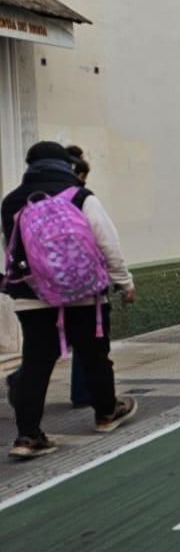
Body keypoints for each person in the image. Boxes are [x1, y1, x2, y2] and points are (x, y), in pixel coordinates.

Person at [5, 141, 137, 458]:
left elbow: (12, 251)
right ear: (65, 165)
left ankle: (28, 437)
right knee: (95, 355)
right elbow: (107, 242)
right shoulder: (81, 196)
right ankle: (106, 413)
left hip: (32, 297)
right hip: (85, 296)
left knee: (35, 364)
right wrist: (124, 282)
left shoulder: (11, 202)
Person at [62, 146, 94, 408]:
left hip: (41, 282)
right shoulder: (82, 198)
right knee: (87, 338)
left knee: (46, 342)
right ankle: (85, 394)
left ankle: (24, 378)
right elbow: (103, 239)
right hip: (79, 279)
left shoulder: (29, 197)